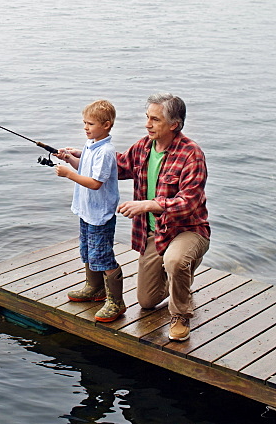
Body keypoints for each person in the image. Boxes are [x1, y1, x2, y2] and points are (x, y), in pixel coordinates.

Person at [116, 93, 210, 342]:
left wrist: (148, 205)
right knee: (146, 301)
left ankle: (180, 315)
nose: (147, 124)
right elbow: (118, 165)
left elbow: (187, 203)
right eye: (147, 117)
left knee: (176, 260)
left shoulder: (192, 154)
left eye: (155, 120)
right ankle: (181, 274)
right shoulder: (143, 146)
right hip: (153, 235)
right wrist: (79, 158)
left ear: (173, 125)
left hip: (187, 230)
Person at [55, 99, 124, 323]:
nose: (86, 127)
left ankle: (116, 302)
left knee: (102, 256)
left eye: (91, 124)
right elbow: (83, 168)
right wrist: (71, 160)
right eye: (84, 123)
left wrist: (68, 174)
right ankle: (94, 288)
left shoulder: (105, 151)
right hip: (86, 212)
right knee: (87, 251)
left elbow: (95, 183)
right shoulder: (90, 145)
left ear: (107, 125)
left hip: (100, 215)